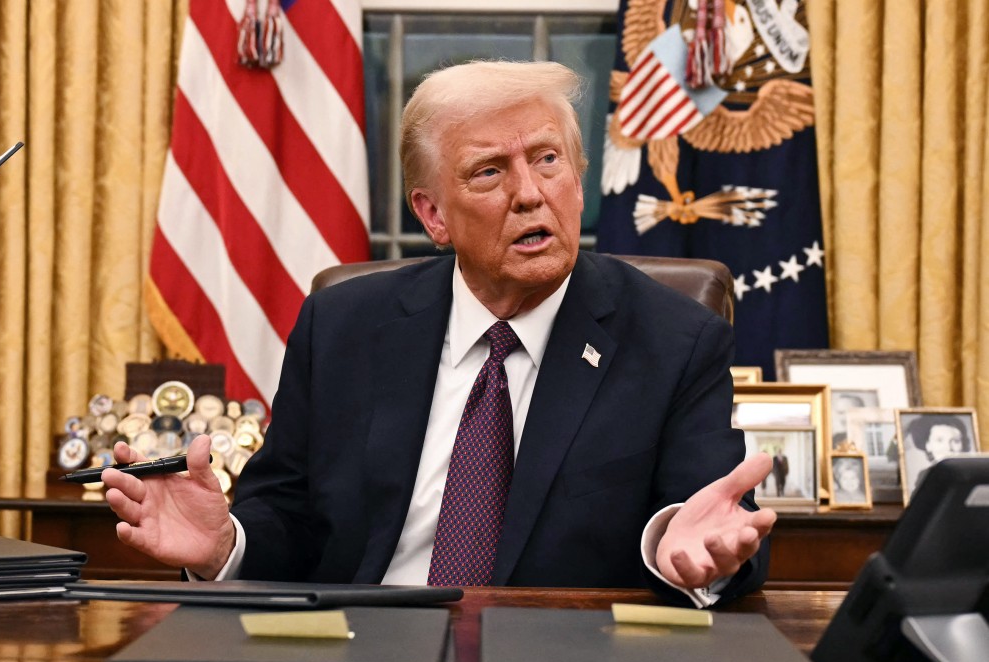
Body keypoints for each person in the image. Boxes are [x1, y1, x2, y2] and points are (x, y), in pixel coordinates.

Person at [102, 61, 775, 607]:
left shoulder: (674, 338)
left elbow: (713, 520)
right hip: (364, 650)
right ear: (433, 215)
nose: (530, 194)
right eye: (490, 171)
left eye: (547, 160)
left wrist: (680, 550)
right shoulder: (344, 326)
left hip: (558, 655)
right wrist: (226, 548)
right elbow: (290, 516)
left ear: (578, 180)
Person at [904, 414, 970, 495]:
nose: (948, 447)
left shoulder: (972, 474)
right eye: (939, 440)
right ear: (928, 445)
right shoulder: (925, 475)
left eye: (955, 441)